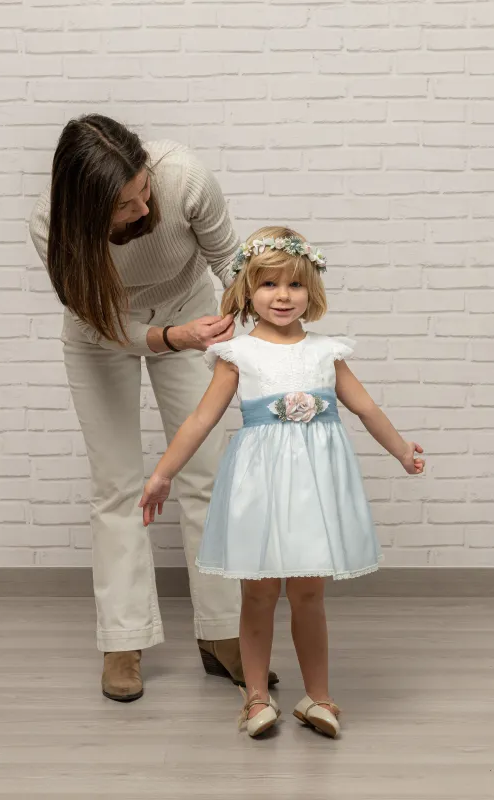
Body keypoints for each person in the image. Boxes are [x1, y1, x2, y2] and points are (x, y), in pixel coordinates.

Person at [28, 114, 278, 702]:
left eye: (144, 190)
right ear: (86, 209)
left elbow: (230, 262)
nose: (143, 210)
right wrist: (169, 338)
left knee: (207, 475)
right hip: (103, 330)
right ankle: (123, 638)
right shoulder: (50, 226)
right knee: (116, 485)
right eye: (124, 205)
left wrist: (255, 315)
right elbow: (103, 321)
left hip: (188, 307)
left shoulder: (182, 175)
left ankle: (222, 634)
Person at [139, 226, 425, 738]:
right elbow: (201, 421)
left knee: (310, 593)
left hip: (314, 488)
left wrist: (402, 449)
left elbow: (365, 408)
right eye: (269, 284)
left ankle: (319, 696)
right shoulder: (239, 355)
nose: (282, 295)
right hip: (259, 487)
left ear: (309, 290)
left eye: (293, 284)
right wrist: (162, 474)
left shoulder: (325, 352)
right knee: (259, 593)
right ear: (248, 290)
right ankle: (255, 696)